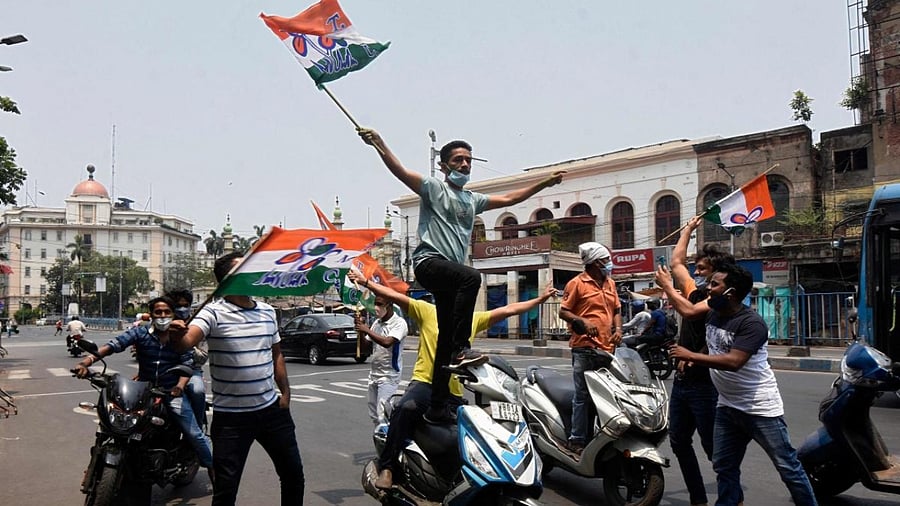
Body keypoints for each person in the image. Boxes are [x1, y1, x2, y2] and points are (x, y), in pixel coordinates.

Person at [358, 127, 564, 424]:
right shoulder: (432, 187)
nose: (464, 165)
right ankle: (460, 349)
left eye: (468, 160)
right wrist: (378, 143)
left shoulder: (472, 200)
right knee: (472, 278)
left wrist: (544, 183)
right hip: (429, 262)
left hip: (449, 275)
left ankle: (438, 405)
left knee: (443, 337)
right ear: (444, 166)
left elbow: (508, 199)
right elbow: (400, 171)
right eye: (457, 160)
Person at [349, 269, 557, 489]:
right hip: (425, 382)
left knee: (470, 431)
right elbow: (393, 296)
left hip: (453, 391)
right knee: (405, 409)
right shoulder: (426, 310)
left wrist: (541, 299)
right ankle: (388, 467)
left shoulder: (472, 320)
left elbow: (509, 309)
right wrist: (365, 282)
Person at [669, 263, 817, 506]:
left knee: (787, 466)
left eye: (715, 284)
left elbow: (734, 361)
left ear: (731, 293)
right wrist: (699, 355)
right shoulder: (715, 314)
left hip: (759, 408)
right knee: (724, 466)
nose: (708, 288)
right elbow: (715, 342)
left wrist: (691, 356)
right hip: (727, 407)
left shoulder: (752, 324)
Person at [169, 252, 304, 506]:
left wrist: (285, 394)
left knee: (293, 475)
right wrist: (177, 334)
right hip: (231, 419)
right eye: (245, 269)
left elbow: (277, 355)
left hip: (271, 412)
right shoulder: (212, 313)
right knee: (225, 490)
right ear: (229, 279)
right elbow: (185, 343)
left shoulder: (267, 311)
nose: (253, 272)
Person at [72, 296, 214, 478]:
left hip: (169, 391)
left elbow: (188, 367)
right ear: (151, 315)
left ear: (172, 314)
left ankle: (213, 468)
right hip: (143, 390)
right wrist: (86, 362)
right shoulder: (140, 333)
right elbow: (113, 346)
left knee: (194, 433)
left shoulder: (179, 338)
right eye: (158, 312)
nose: (162, 316)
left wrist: (179, 387)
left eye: (166, 312)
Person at [654, 216, 733, 506]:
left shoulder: (716, 300)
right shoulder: (696, 290)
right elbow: (677, 263)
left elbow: (688, 311)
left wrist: (667, 287)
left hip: (705, 384)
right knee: (678, 440)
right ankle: (698, 500)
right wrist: (688, 228)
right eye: (696, 268)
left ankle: (731, 498)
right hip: (684, 383)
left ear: (718, 275)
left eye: (702, 269)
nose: (696, 273)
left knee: (715, 449)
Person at [558, 242, 622, 456]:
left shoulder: (610, 283)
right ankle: (577, 438)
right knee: (583, 395)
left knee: (607, 394)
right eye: (606, 260)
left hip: (608, 348)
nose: (609, 264)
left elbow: (617, 309)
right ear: (595, 262)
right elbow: (564, 312)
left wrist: (619, 329)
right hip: (584, 348)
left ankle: (601, 435)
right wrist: (583, 322)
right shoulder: (576, 283)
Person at [355, 294, 409, 426]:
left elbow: (387, 342)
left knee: (383, 414)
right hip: (374, 374)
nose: (376, 307)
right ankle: (380, 440)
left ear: (389, 305)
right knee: (374, 414)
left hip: (389, 375)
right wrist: (361, 331)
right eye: (375, 304)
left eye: (379, 304)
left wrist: (366, 330)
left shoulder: (399, 323)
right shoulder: (376, 323)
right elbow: (365, 348)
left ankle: (389, 442)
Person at [167, 288, 206, 428]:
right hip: (166, 368)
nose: (182, 309)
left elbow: (199, 355)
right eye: (178, 305)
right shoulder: (164, 323)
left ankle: (198, 424)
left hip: (192, 369)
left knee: (197, 391)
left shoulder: (198, 324)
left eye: (185, 305)